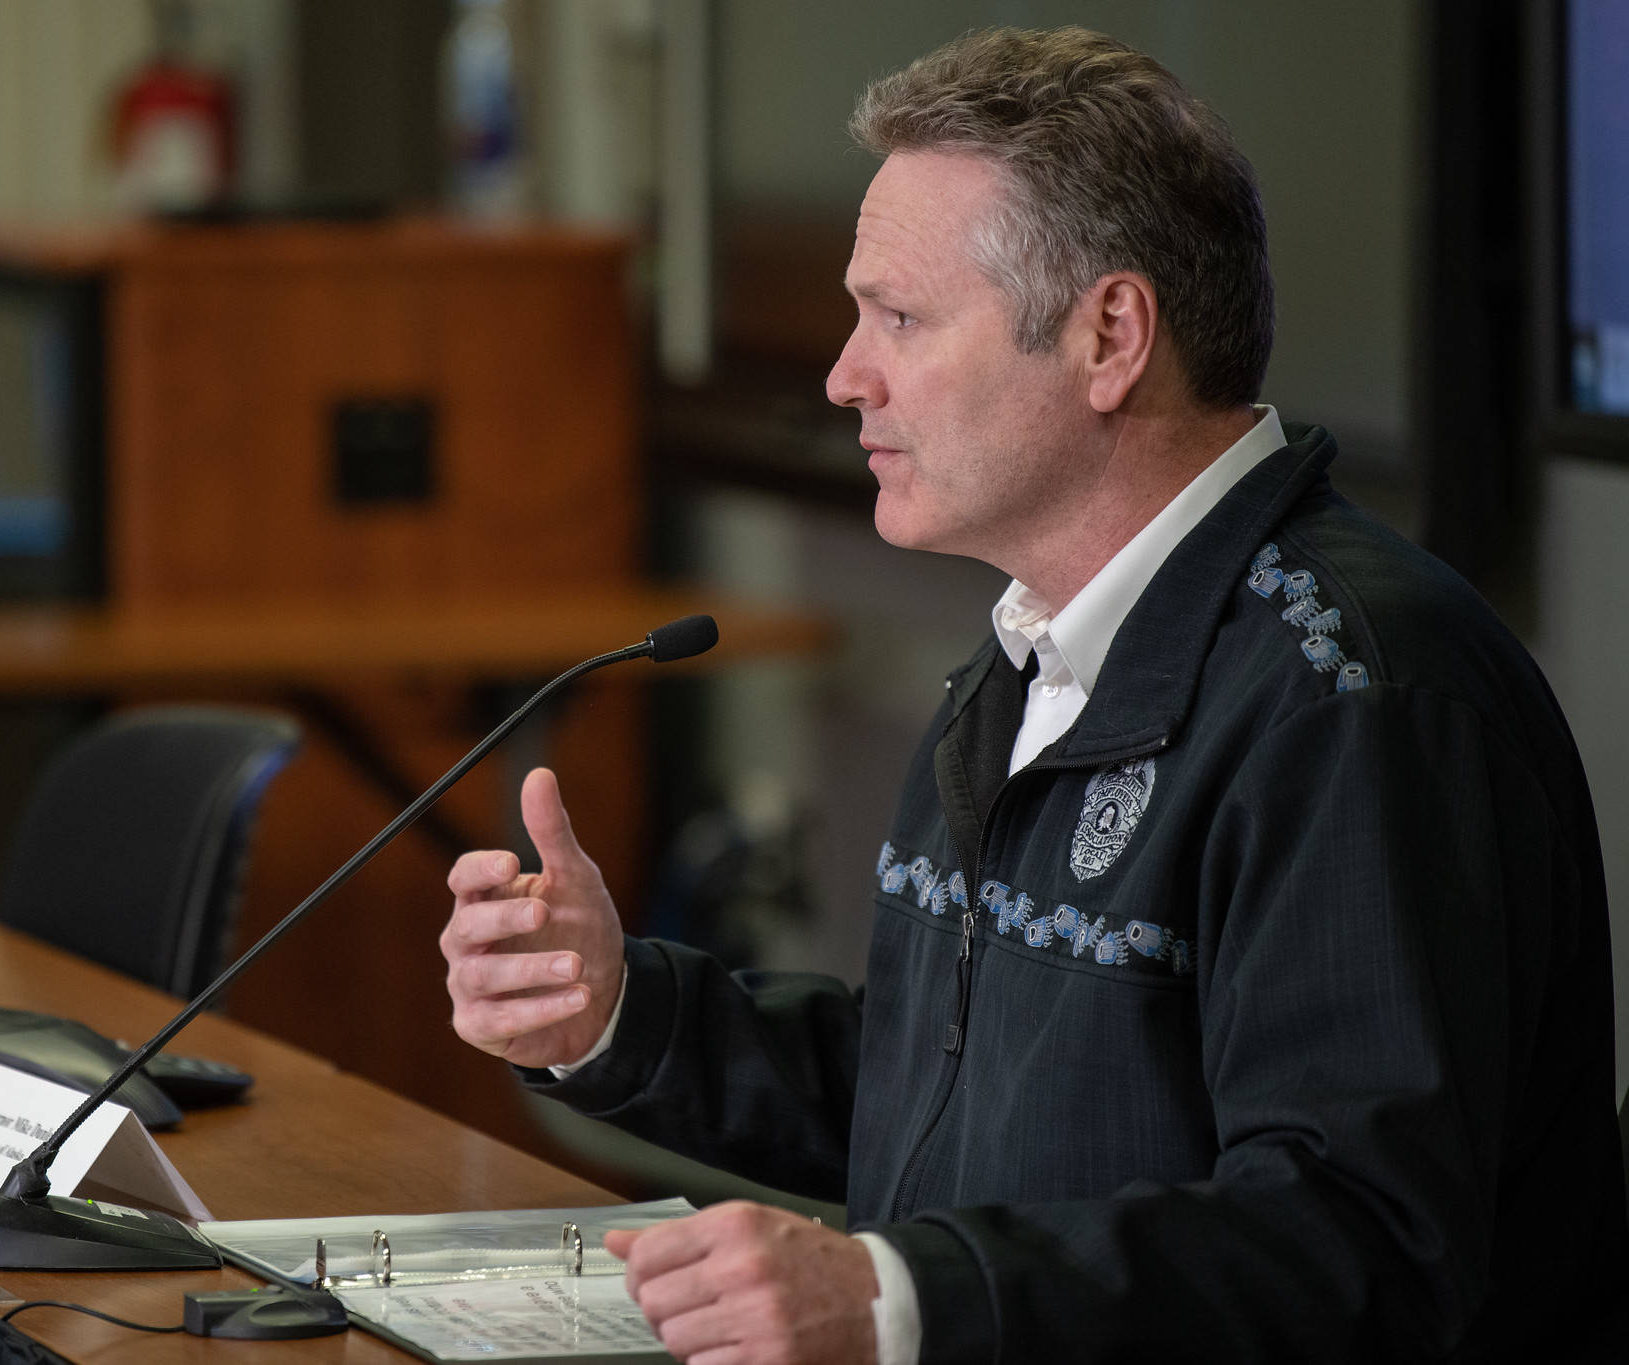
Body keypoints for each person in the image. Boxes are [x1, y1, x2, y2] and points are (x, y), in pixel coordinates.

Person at [439, 26, 1627, 1364]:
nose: (846, 374)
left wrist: (903, 1301)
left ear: (1109, 335)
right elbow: (952, 1100)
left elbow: (1357, 1247)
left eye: (899, 316)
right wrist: (620, 1015)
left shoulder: (1355, 700)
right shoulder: (1036, 641)